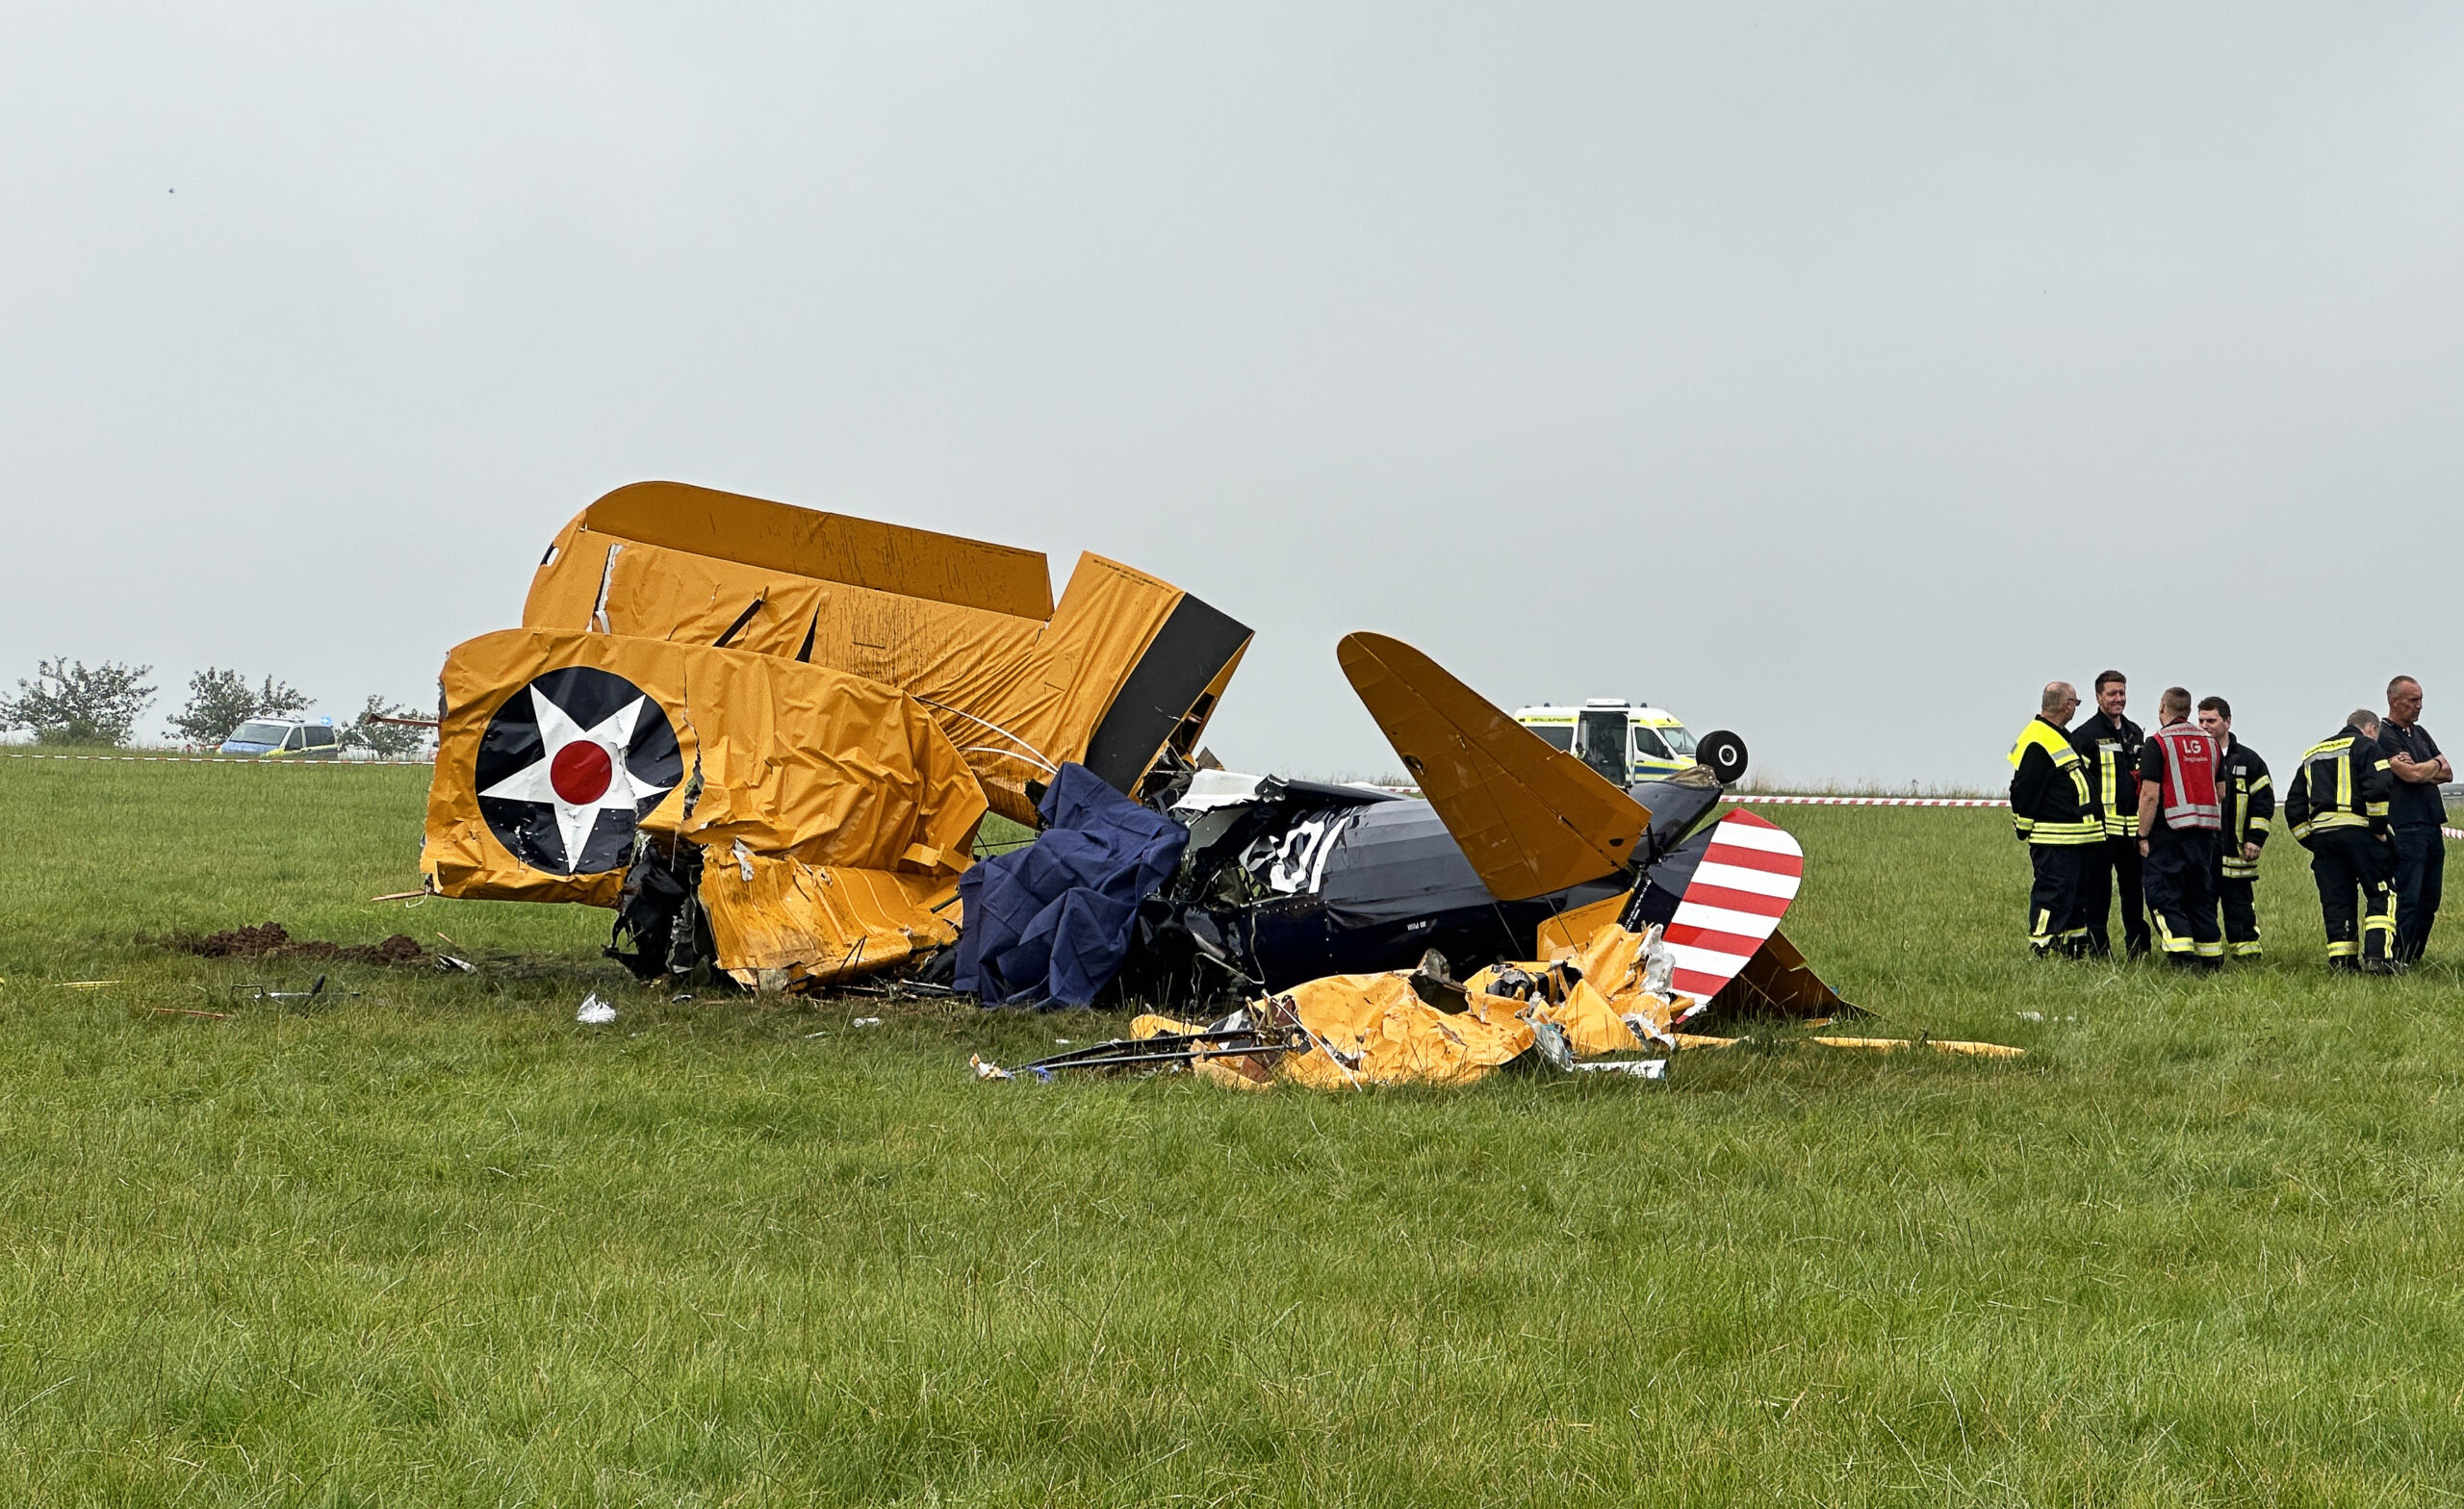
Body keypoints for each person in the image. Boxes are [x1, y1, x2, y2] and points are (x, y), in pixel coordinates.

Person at [2284, 709, 2400, 973]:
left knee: (2337, 900)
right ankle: (2378, 958)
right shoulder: (2367, 747)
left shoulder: (2312, 754)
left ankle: (2342, 963)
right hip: (2360, 833)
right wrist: (2379, 828)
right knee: (2382, 892)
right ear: (2371, 728)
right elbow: (2379, 786)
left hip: (2325, 839)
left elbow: (2294, 808)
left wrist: (2311, 842)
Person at [2008, 681, 2101, 957]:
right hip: (2054, 838)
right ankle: (2043, 947)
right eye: (2076, 703)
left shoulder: (2059, 735)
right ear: (2066, 705)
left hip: (2076, 838)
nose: (2075, 708)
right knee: (2053, 893)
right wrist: (2023, 827)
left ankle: (2073, 947)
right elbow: (2024, 789)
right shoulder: (2039, 739)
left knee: (2075, 897)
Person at [2134, 687, 2224, 970]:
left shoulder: (2158, 742)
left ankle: (2181, 956)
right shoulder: (2210, 743)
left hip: (2169, 831)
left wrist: (2142, 834)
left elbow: (2150, 795)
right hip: (2204, 833)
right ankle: (2211, 957)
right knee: (2200, 897)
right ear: (2188, 711)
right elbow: (2220, 791)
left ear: (2163, 708)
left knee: (2164, 895)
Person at [2070, 671, 2149, 959]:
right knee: (2098, 894)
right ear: (2098, 697)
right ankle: (2098, 949)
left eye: (2122, 693)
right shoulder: (2085, 736)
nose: (2119, 698)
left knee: (2134, 893)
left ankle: (2138, 949)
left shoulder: (2135, 732)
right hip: (2101, 833)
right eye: (2113, 693)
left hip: (2132, 833)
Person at [2378, 676, 2451, 963]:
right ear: (2394, 701)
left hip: (2433, 825)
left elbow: (2448, 772)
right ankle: (2398, 957)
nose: (2419, 706)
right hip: (2407, 828)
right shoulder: (2385, 736)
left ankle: (2415, 956)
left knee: (2430, 900)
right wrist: (2431, 766)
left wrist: (2427, 767)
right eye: (2413, 700)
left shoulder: (2420, 734)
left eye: (2420, 699)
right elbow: (2411, 775)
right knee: (2408, 897)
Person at [2196, 696, 2272, 960]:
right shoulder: (2193, 759)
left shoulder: (2249, 761)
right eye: (2201, 720)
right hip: (2203, 847)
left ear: (2227, 722)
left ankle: (2247, 954)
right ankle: (2207, 956)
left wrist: (2255, 839)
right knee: (2202, 903)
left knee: (2239, 903)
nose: (2205, 726)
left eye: (2211, 720)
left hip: (2236, 848)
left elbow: (2264, 803)